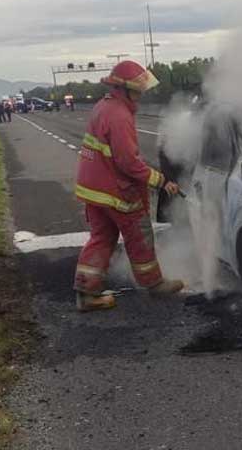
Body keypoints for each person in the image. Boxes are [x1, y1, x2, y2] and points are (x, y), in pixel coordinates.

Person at [73, 60, 184, 312]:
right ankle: (154, 284)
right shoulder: (120, 116)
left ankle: (86, 293)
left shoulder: (104, 106)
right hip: (116, 190)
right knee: (139, 234)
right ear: (123, 89)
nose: (142, 94)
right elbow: (128, 162)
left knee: (101, 238)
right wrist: (161, 181)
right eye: (138, 89)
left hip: (95, 188)